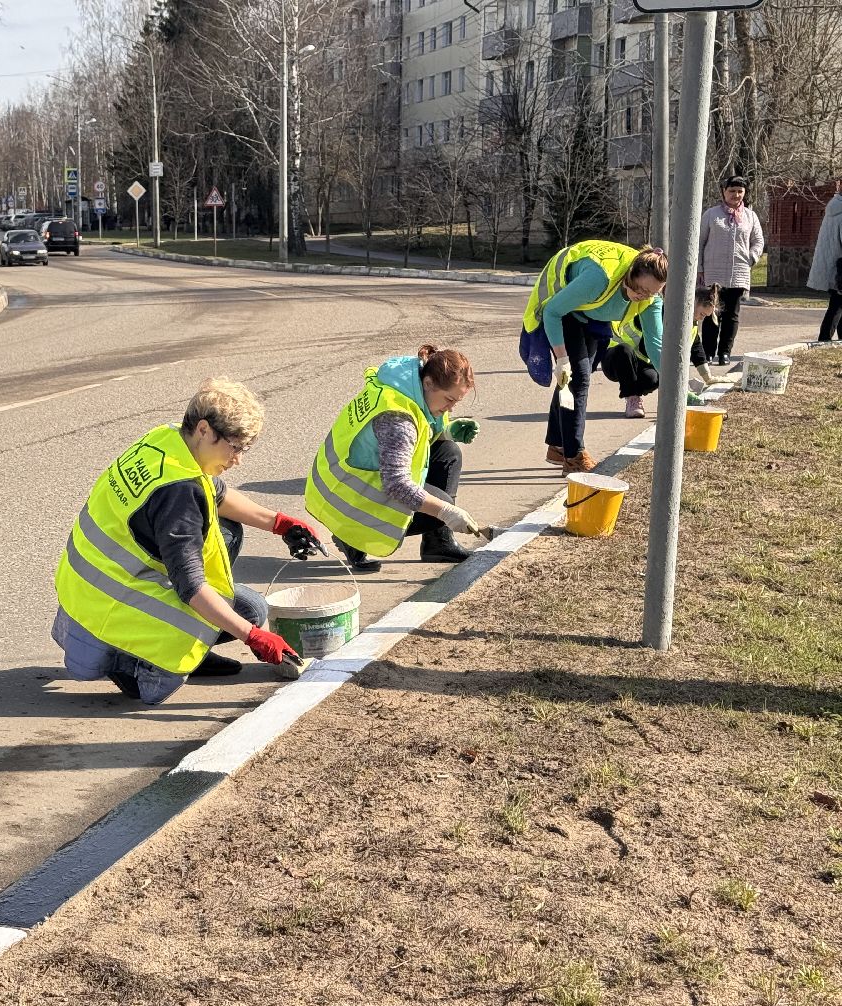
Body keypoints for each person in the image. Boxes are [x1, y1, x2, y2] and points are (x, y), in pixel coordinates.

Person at [53, 378, 319, 704]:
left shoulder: (167, 440)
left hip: (85, 583)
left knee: (248, 601)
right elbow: (190, 586)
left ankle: (191, 652)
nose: (238, 460)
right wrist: (253, 638)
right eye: (234, 447)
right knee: (235, 626)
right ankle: (127, 664)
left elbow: (217, 495)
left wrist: (279, 524)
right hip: (110, 605)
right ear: (205, 430)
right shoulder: (178, 492)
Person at [306, 344, 486, 574]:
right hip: (347, 500)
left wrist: (447, 431)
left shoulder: (403, 386)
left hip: (340, 478)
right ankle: (351, 536)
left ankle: (437, 544)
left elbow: (412, 437)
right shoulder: (398, 418)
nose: (451, 407)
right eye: (449, 399)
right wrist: (445, 513)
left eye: (456, 403)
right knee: (440, 510)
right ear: (429, 383)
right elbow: (396, 484)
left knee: (448, 452)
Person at [519, 241, 667, 471]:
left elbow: (655, 343)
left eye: (651, 293)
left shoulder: (651, 299)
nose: (643, 296)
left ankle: (558, 445)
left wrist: (674, 386)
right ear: (631, 273)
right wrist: (561, 358)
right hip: (564, 309)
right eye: (641, 289)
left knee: (571, 379)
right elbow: (553, 311)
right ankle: (574, 456)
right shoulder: (600, 277)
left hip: (590, 315)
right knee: (577, 379)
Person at [600, 285, 722, 418]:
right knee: (625, 351)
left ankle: (635, 391)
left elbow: (697, 350)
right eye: (702, 314)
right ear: (693, 302)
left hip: (642, 361)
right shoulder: (663, 313)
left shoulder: (691, 325)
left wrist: (708, 377)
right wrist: (677, 387)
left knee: (654, 378)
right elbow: (649, 346)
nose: (701, 318)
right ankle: (632, 398)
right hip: (615, 357)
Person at [698, 175, 766, 366]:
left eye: (739, 191)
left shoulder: (750, 216)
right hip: (713, 273)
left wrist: (751, 257)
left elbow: (758, 241)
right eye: (732, 191)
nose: (736, 195)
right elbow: (700, 242)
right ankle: (708, 352)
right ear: (724, 192)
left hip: (739, 273)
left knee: (732, 315)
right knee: (712, 312)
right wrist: (700, 268)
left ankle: (725, 352)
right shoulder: (711, 214)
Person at [806, 180, 842, 343]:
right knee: (836, 307)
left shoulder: (835, 207)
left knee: (836, 305)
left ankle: (827, 341)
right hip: (839, 269)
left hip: (834, 265)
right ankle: (824, 341)